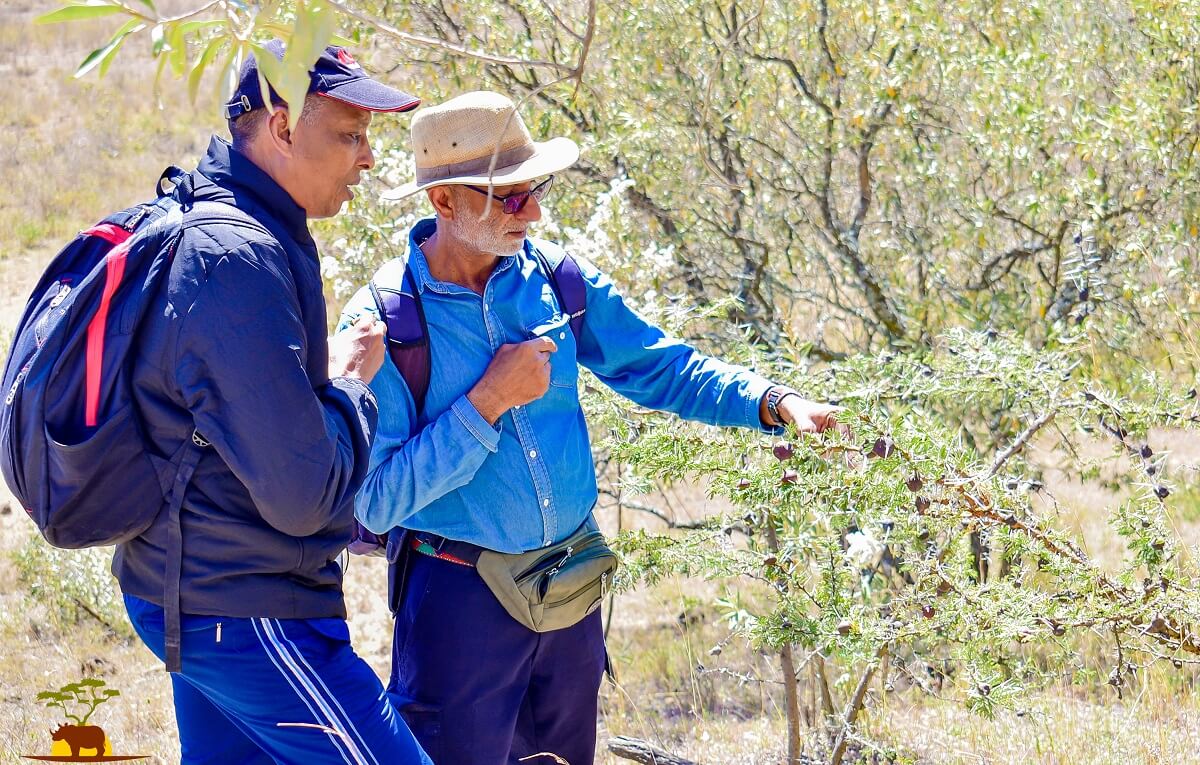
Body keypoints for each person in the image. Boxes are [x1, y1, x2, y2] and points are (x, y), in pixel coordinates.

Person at [339, 90, 842, 765]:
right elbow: (375, 499)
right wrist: (486, 401)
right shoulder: (384, 322)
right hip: (457, 605)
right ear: (444, 202)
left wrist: (773, 402)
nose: (535, 212)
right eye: (509, 197)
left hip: (572, 591)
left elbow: (662, 367)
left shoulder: (557, 280)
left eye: (534, 190)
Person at [113, 41, 432, 765]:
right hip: (246, 608)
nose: (368, 158)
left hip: (201, 592)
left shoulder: (221, 219)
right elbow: (304, 494)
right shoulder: (235, 256)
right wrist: (351, 388)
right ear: (281, 128)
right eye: (350, 135)